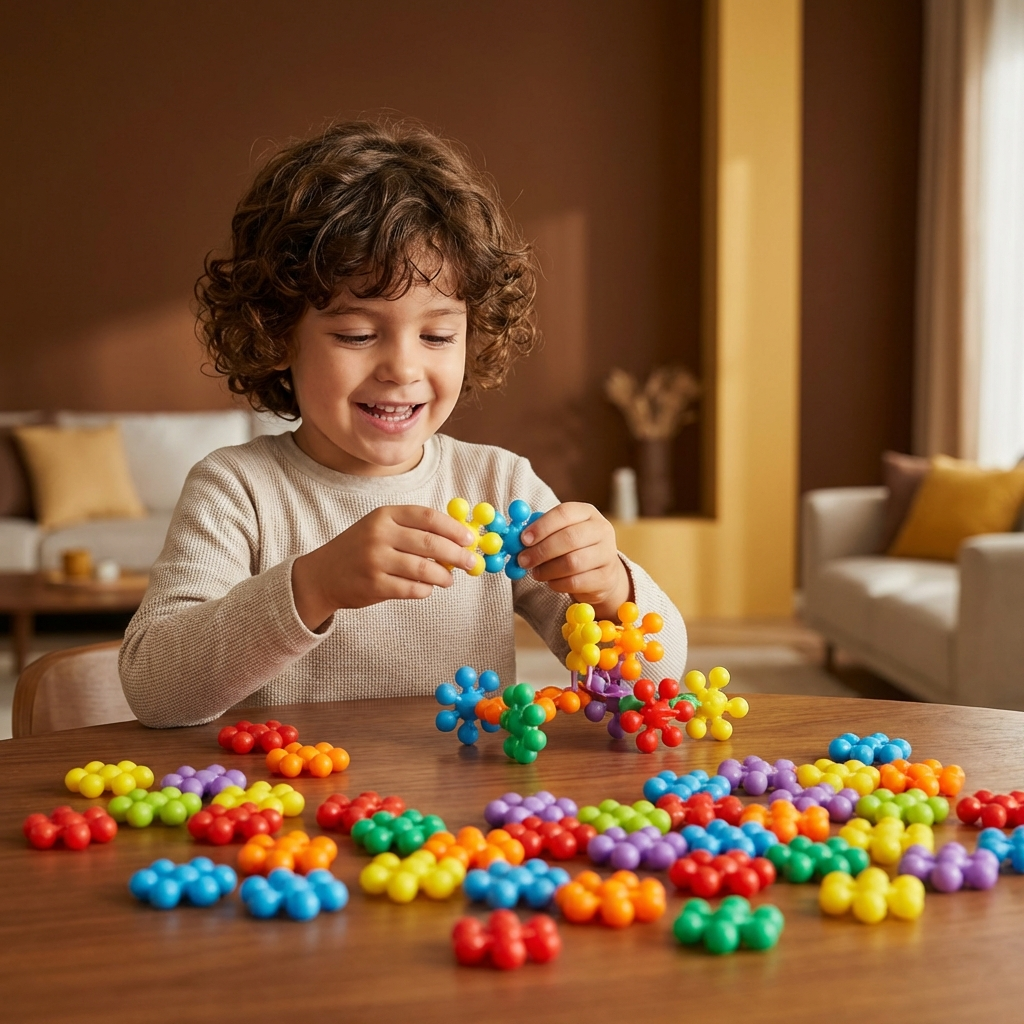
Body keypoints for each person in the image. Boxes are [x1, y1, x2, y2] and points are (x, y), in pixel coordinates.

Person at [119, 119, 686, 728]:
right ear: (278, 332)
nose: (403, 367)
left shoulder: (498, 484)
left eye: (438, 334)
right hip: (288, 813)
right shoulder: (237, 490)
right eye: (358, 334)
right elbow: (156, 690)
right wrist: (312, 587)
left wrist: (611, 591)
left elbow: (652, 689)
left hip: (461, 818)